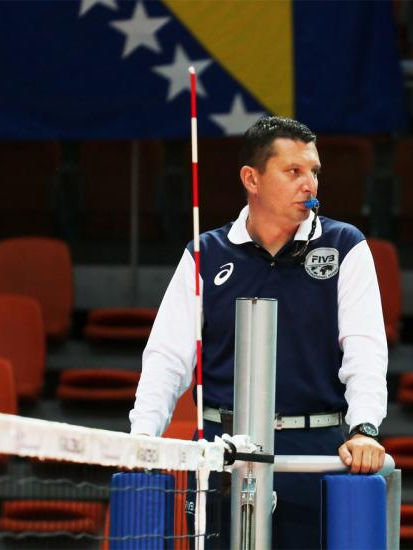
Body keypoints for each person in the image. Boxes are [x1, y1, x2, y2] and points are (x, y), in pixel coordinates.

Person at [129, 116, 388, 549]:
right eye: (293, 171)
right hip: (220, 452)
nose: (309, 184)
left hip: (314, 452)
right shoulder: (204, 252)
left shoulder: (345, 245)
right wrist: (142, 436)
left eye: (314, 171)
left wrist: (364, 427)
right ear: (252, 178)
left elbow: (365, 350)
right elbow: (167, 359)